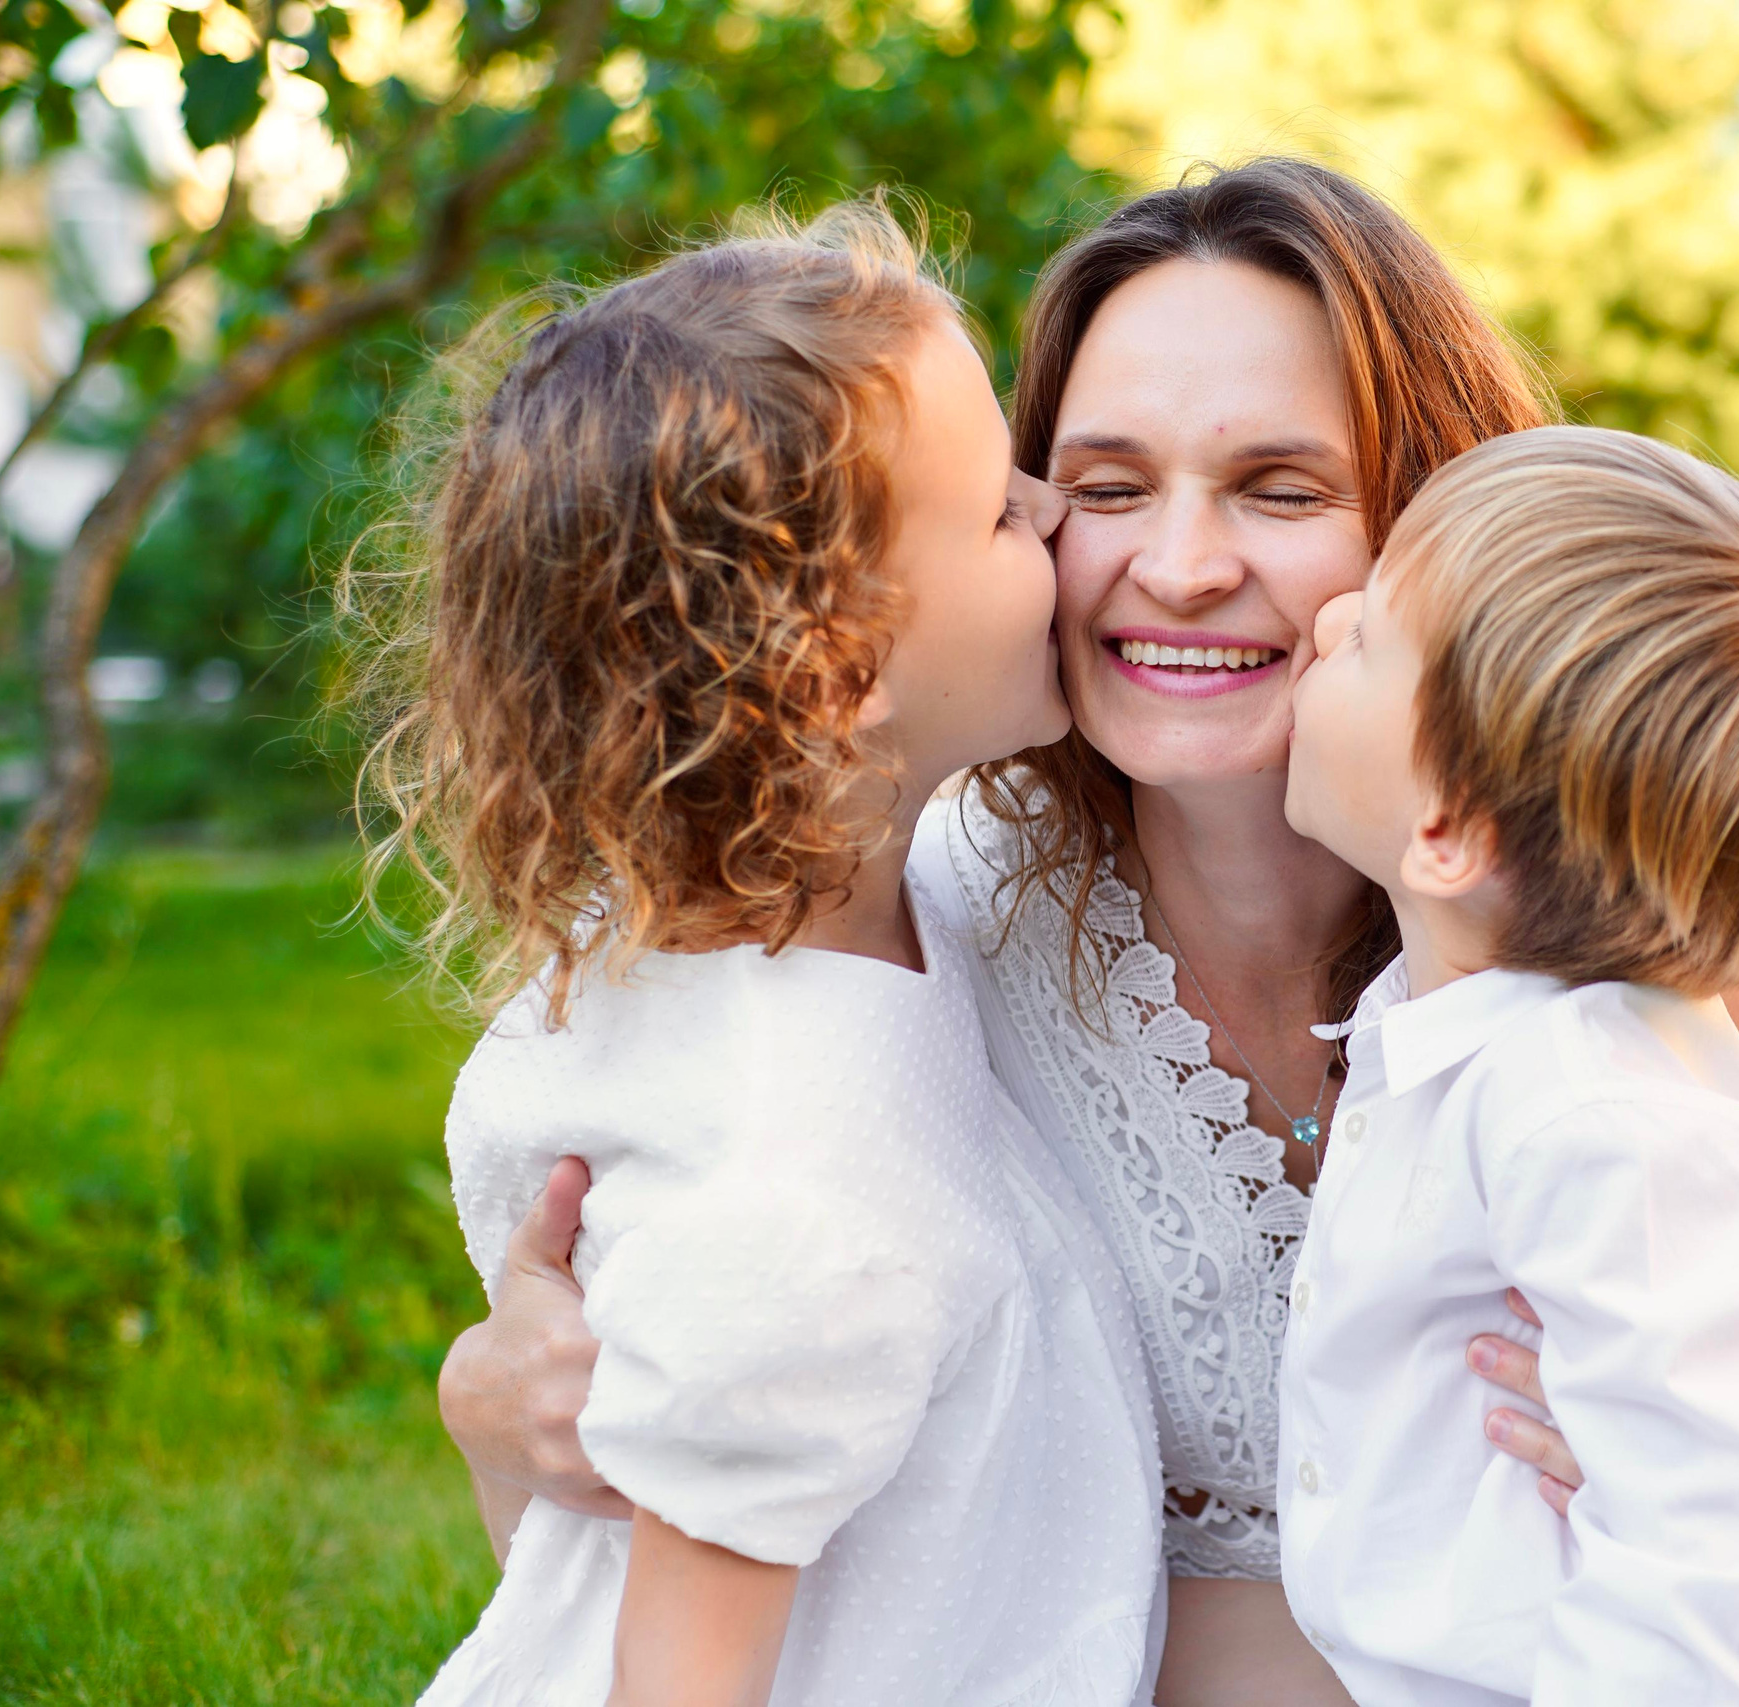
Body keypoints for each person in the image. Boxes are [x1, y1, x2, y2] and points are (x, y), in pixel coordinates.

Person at [436, 160, 1739, 1707]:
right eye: (1105, 488)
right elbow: (642, 1544)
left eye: (1283, 489)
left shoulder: (1660, 958)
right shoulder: (895, 931)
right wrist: (494, 1407)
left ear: (1439, 532)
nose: (1182, 569)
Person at [360, 210, 1163, 1707]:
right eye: (999, 510)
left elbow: (562, 1557)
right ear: (835, 670)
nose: (1058, 510)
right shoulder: (796, 1193)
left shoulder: (732, 956)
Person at [1276, 425, 1739, 1705]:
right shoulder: (1488, 1044)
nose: (1324, 624)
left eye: (1368, 637)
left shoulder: (1595, 1113)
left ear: (1448, 831)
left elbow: (1698, 1556)